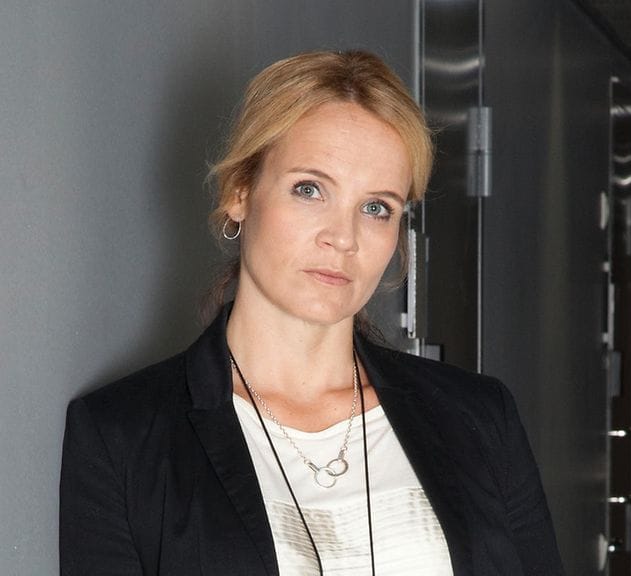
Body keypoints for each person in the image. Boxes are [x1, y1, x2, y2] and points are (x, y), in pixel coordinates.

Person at [60, 50, 564, 575]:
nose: (343, 237)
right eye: (310, 189)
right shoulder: (121, 436)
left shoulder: (479, 417)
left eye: (377, 207)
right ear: (240, 193)